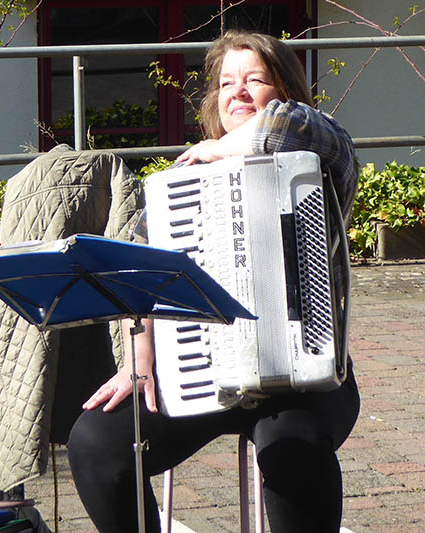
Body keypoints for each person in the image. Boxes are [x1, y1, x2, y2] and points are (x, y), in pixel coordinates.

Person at [67, 30, 360, 533]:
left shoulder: (318, 157)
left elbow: (293, 124)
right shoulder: (180, 187)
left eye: (255, 79)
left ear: (285, 87)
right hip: (199, 375)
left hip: (305, 379)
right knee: (95, 440)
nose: (237, 92)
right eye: (227, 83)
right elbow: (143, 276)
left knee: (291, 449)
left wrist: (220, 148)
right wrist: (138, 366)